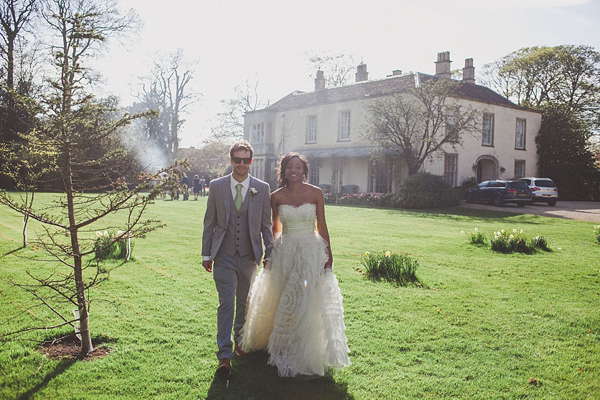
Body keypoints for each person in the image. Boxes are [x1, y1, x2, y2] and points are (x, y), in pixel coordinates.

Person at [240, 152, 351, 378]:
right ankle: (282, 344)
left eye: (298, 167)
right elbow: (274, 227)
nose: (293, 171)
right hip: (286, 250)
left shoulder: (316, 193)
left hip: (311, 250)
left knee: (306, 297)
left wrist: (328, 253)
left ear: (304, 171)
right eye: (289, 167)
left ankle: (304, 345)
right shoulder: (277, 196)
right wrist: (271, 254)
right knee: (285, 296)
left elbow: (322, 224)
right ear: (284, 171)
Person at [202, 140, 274, 376]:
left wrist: (269, 253)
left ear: (251, 162)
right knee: (226, 302)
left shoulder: (262, 188)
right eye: (237, 160)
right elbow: (209, 222)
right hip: (223, 254)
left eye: (246, 160)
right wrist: (206, 254)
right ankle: (224, 354)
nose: (241, 164)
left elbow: (266, 225)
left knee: (244, 301)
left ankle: (240, 341)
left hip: (249, 256)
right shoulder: (217, 185)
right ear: (231, 160)